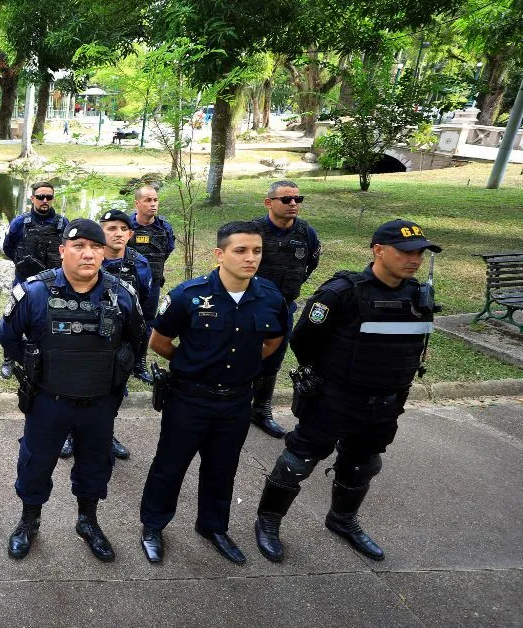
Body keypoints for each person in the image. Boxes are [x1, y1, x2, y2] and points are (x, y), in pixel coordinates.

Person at [253, 220, 440, 563]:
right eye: (406, 252)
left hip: (384, 403)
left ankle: (342, 519)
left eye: (420, 252)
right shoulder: (342, 292)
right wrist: (328, 376)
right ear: (378, 250)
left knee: (363, 464)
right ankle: (268, 521)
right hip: (334, 400)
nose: (414, 259)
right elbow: (303, 339)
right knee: (297, 462)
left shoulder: (416, 295)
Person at [138, 221, 290, 565]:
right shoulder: (188, 295)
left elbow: (274, 339)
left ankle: (213, 527)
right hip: (189, 399)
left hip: (236, 401)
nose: (250, 258)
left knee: (223, 468)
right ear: (220, 255)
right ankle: (153, 526)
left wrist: (244, 367)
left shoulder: (269, 297)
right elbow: (159, 341)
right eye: (241, 251)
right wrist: (192, 365)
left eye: (257, 251)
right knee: (169, 466)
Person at [0, 219, 147, 563]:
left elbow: (137, 338)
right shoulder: (34, 292)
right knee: (36, 462)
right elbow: (8, 336)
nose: (88, 254)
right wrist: (38, 368)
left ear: (104, 253)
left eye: (96, 247)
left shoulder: (121, 294)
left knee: (95, 463)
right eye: (79, 247)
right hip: (49, 400)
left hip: (99, 401)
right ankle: (29, 522)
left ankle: (88, 521)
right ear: (63, 251)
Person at [60, 207, 154, 461]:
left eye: (123, 229)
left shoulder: (139, 265)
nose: (118, 234)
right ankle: (69, 433)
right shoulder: (78, 260)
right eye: (111, 228)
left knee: (112, 393)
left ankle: (106, 433)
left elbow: (144, 309)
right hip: (79, 339)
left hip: (115, 344)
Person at [250, 180, 322, 439]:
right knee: (240, 353)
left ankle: (260, 408)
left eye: (297, 199)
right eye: (287, 199)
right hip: (250, 308)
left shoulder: (306, 233)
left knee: (273, 359)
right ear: (269, 202)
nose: (294, 203)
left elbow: (311, 262)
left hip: (283, 308)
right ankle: (234, 405)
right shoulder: (253, 231)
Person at [3, 181, 69, 286]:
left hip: (54, 281)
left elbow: (69, 250)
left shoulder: (63, 223)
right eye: (40, 197)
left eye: (49, 197)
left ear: (53, 199)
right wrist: (22, 262)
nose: (45, 200)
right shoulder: (19, 222)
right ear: (32, 198)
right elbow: (8, 248)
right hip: (24, 280)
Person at [126, 185, 176, 321]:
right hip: (127, 281)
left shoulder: (164, 228)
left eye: (155, 200)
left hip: (153, 283)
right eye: (148, 200)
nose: (153, 204)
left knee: (147, 320)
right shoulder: (125, 226)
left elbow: (167, 250)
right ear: (137, 204)